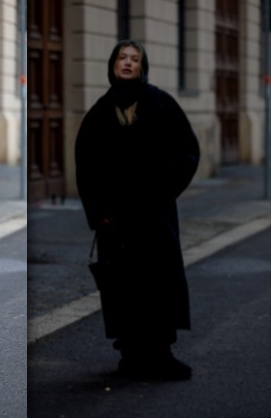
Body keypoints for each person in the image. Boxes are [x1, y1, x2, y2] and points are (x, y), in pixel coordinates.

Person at [75, 40, 200, 380]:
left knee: (158, 284)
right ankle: (130, 357)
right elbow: (86, 167)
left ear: (143, 66)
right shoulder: (100, 112)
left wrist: (162, 190)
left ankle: (161, 355)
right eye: (122, 58)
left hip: (155, 217)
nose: (127, 63)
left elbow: (188, 152)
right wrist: (100, 214)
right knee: (122, 289)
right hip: (115, 223)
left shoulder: (161, 103)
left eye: (135, 59)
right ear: (113, 64)